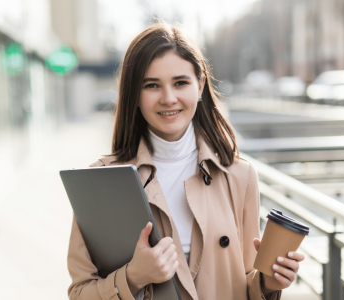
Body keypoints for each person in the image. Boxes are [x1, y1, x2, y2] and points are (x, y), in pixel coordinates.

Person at [67, 21, 304, 300]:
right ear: (134, 95)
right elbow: (80, 292)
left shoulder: (240, 176)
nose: (169, 99)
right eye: (152, 85)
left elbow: (246, 282)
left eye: (180, 82)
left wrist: (268, 283)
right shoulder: (101, 182)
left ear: (200, 85)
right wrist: (134, 277)